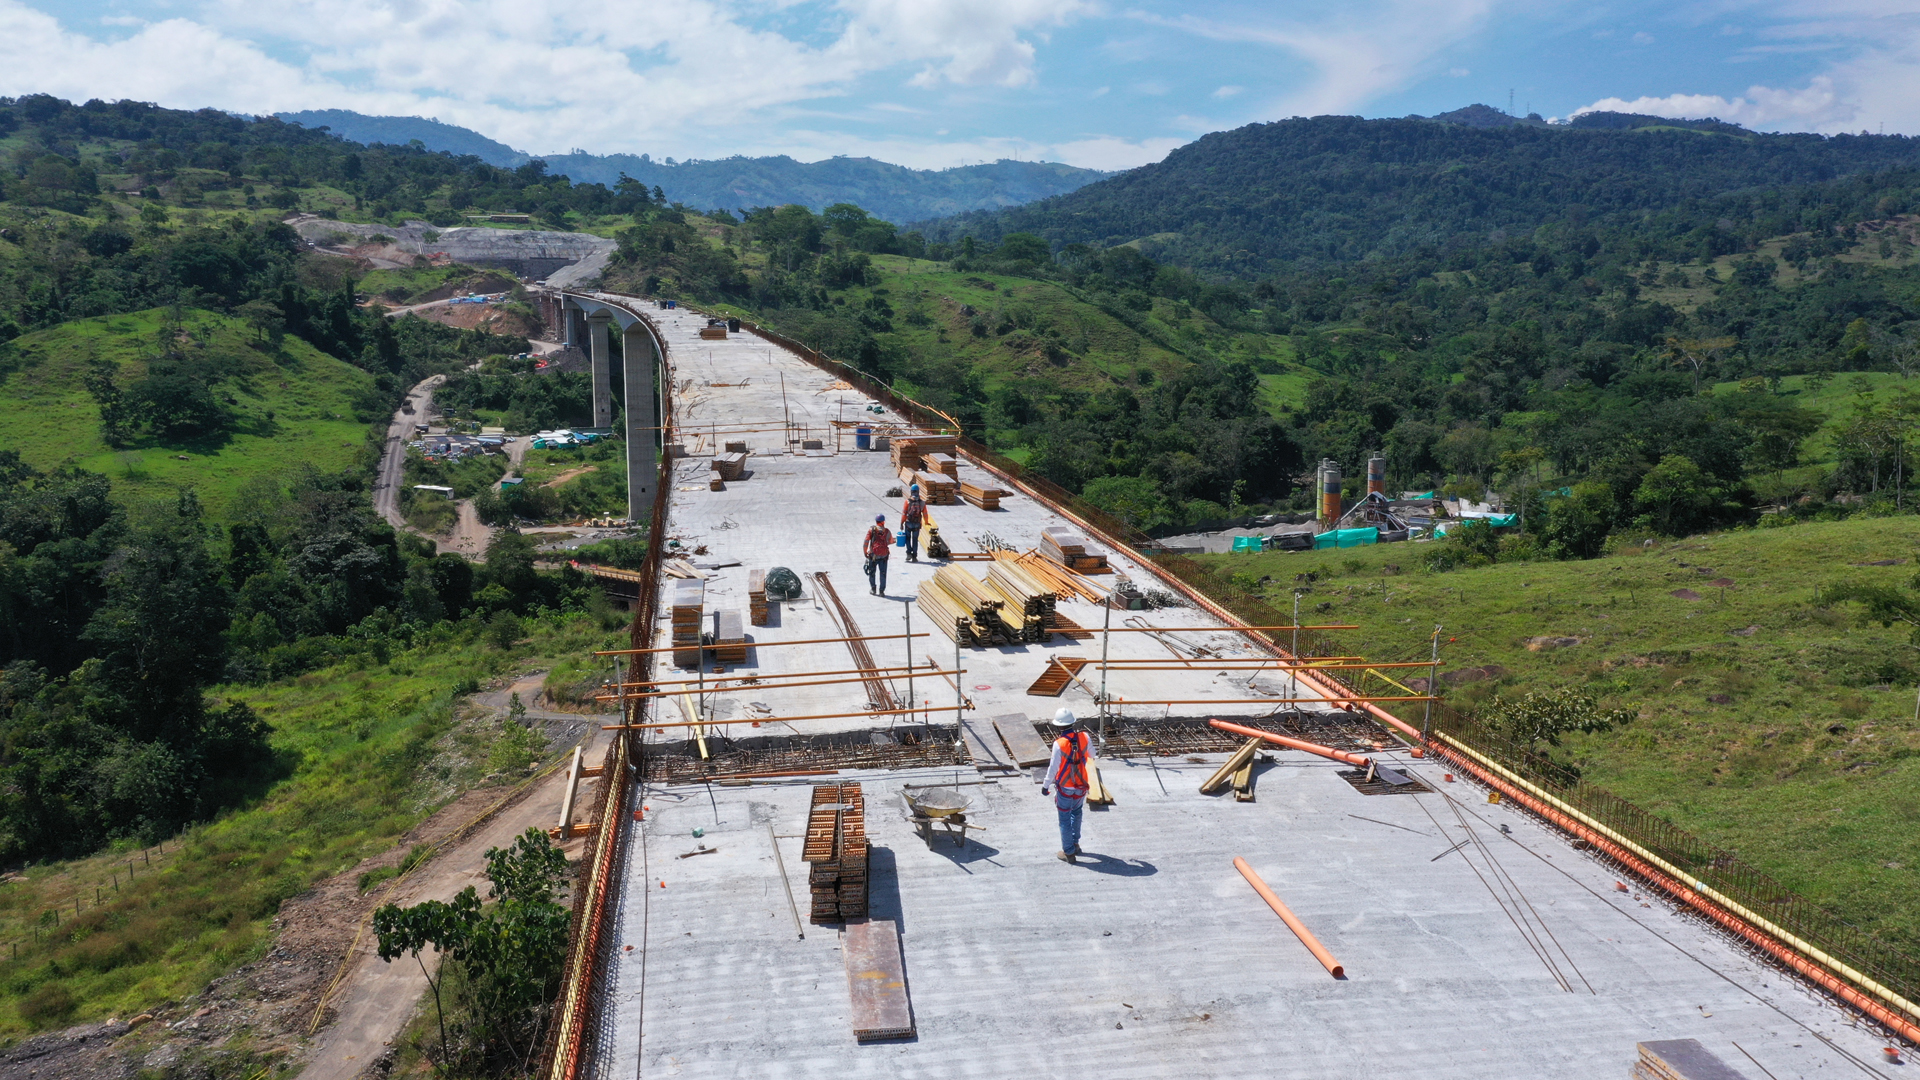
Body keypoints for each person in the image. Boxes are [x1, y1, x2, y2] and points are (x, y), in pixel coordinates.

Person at [1039, 707, 1093, 863]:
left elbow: (1053, 768)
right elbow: (1093, 755)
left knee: (1064, 819)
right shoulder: (1085, 737)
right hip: (1081, 787)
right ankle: (1075, 844)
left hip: (1065, 788)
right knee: (1076, 813)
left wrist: (1045, 785)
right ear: (1072, 723)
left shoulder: (1059, 744)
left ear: (1058, 726)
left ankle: (1069, 853)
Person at [863, 513, 892, 595]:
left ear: (876, 521)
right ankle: (882, 591)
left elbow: (866, 542)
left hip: (873, 556)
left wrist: (865, 552)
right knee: (883, 573)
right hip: (884, 556)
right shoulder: (887, 531)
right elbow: (890, 541)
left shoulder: (872, 530)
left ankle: (873, 589)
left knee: (872, 572)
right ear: (884, 522)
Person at [899, 484, 927, 562]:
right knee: (915, 540)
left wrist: (901, 523)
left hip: (908, 523)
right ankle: (914, 557)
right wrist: (927, 522)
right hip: (917, 524)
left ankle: (908, 553)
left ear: (911, 492)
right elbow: (925, 514)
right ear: (918, 492)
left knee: (907, 539)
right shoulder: (922, 503)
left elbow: (904, 514)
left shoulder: (907, 502)